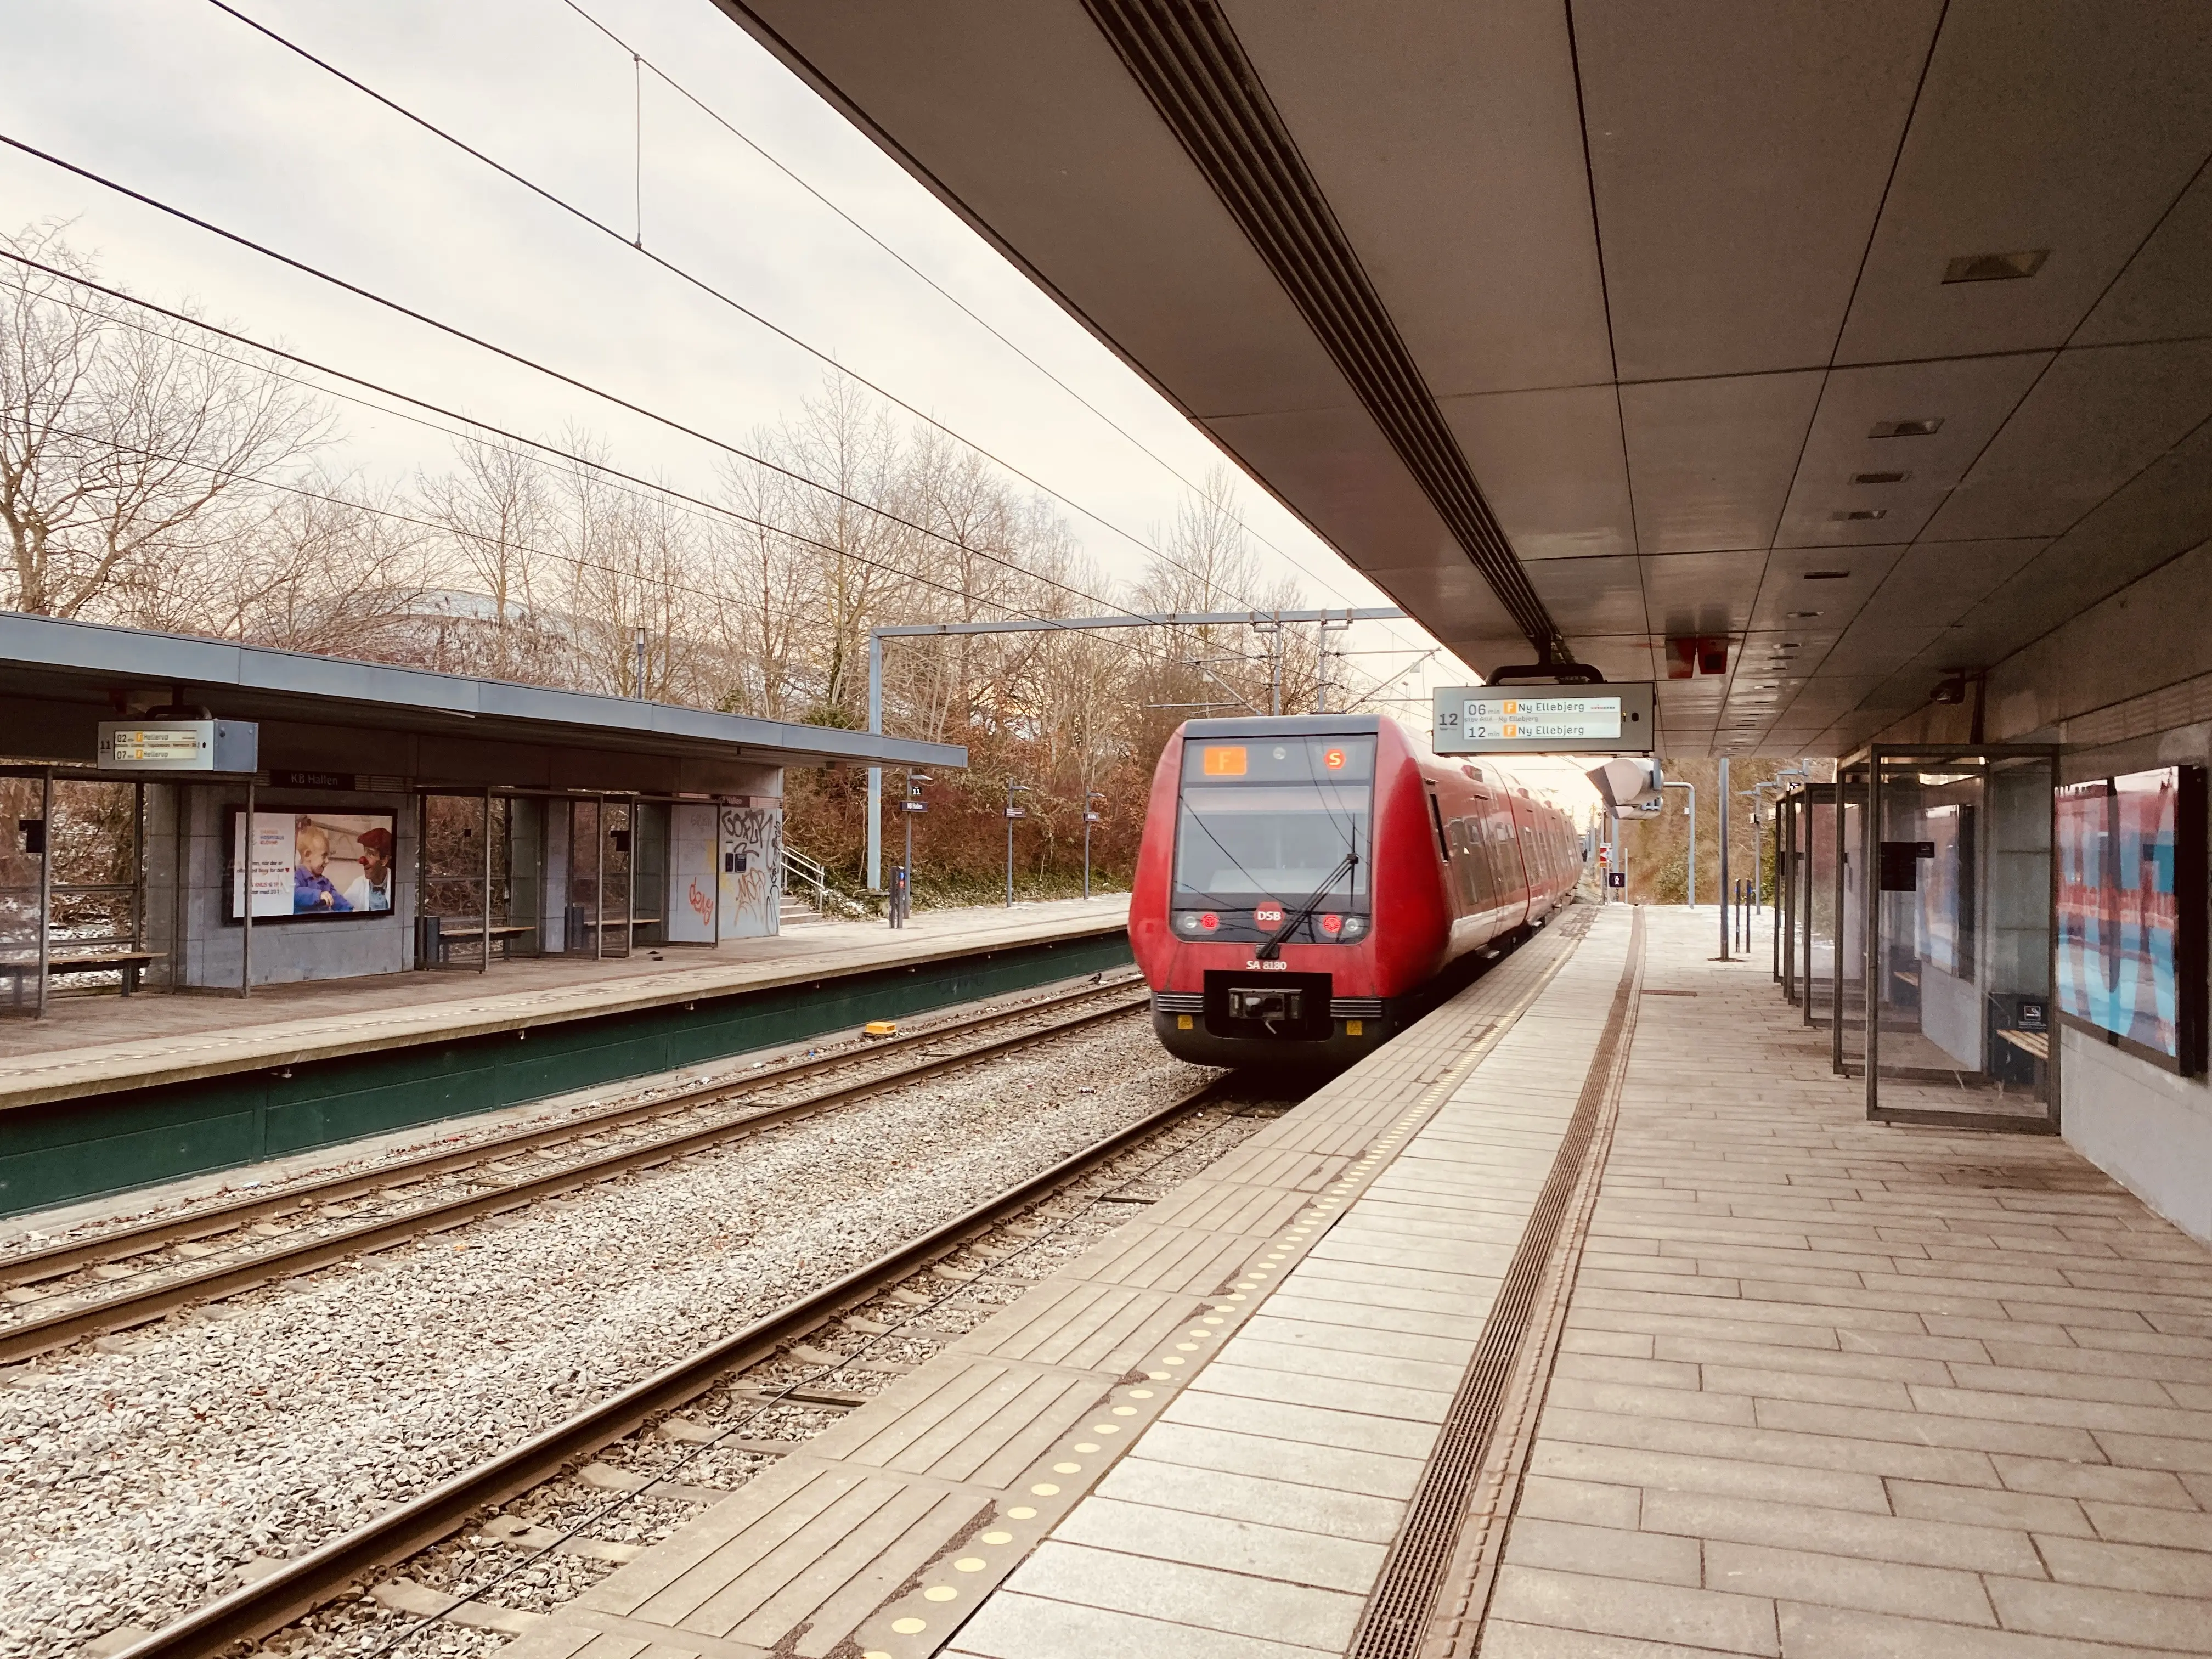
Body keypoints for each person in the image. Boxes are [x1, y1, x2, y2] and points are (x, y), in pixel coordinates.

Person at [293, 822, 351, 913]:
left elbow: (338, 899)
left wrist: (351, 910)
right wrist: (318, 895)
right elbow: (295, 894)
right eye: (324, 856)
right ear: (308, 855)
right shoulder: (297, 877)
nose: (327, 861)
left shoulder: (325, 882)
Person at [341, 825, 394, 913]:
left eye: (371, 853)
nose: (363, 860)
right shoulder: (358, 885)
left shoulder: (397, 884)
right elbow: (342, 909)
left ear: (384, 860)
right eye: (365, 852)